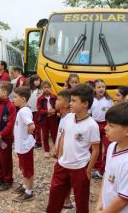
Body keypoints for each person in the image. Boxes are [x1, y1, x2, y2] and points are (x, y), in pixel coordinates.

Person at [46, 84, 100, 213]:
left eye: (74, 101)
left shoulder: (92, 125)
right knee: (54, 196)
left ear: (85, 104)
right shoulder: (68, 117)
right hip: (62, 165)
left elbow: (96, 150)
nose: (70, 103)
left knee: (81, 201)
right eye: (70, 100)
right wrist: (59, 157)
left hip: (80, 168)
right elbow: (64, 136)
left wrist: (88, 170)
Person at [97, 102, 128, 213]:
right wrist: (100, 201)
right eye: (106, 123)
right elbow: (107, 174)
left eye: (111, 125)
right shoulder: (112, 146)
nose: (105, 128)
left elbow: (124, 198)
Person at [0, 81, 17, 191]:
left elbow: (10, 123)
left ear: (4, 92)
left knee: (5, 159)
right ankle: (0, 177)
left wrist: (1, 135)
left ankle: (8, 180)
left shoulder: (11, 106)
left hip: (5, 138)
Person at [12, 86, 36, 202]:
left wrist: (28, 134)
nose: (13, 99)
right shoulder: (22, 110)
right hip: (21, 146)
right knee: (23, 167)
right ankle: (25, 185)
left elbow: (31, 126)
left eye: (15, 97)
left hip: (25, 146)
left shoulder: (24, 111)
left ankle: (29, 192)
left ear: (23, 98)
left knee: (27, 169)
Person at [54, 89, 74, 210]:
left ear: (66, 104)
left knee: (67, 177)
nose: (55, 102)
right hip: (60, 152)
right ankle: (65, 198)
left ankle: (66, 200)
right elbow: (59, 135)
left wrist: (60, 154)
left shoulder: (70, 118)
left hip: (66, 154)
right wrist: (56, 148)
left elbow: (66, 137)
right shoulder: (63, 116)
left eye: (58, 99)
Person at [90, 79, 114, 179]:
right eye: (99, 87)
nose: (101, 89)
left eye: (103, 87)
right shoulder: (91, 100)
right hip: (94, 124)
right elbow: (89, 113)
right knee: (95, 146)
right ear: (94, 89)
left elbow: (112, 113)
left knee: (108, 146)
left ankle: (103, 168)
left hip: (106, 125)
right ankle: (96, 165)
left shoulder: (109, 100)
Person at [37, 80, 58, 157]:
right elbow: (39, 110)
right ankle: (46, 150)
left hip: (53, 118)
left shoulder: (54, 97)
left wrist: (55, 110)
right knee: (45, 135)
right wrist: (47, 112)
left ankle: (56, 149)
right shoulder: (40, 98)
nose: (47, 89)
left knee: (54, 134)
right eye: (45, 87)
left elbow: (58, 107)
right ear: (42, 88)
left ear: (51, 88)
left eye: (48, 87)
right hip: (44, 119)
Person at [27, 75, 43, 149]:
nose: (38, 82)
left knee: (37, 127)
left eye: (39, 80)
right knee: (31, 126)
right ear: (32, 81)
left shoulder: (40, 90)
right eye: (36, 80)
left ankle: (38, 143)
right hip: (29, 110)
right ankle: (32, 141)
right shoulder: (28, 90)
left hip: (37, 111)